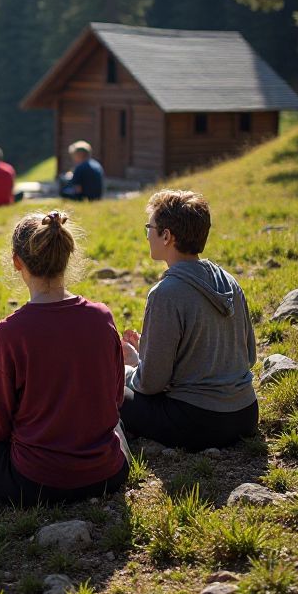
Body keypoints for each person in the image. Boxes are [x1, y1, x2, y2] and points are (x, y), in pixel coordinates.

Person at [0, 211, 129, 505]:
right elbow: (115, 399)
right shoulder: (101, 316)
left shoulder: (10, 332)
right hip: (108, 473)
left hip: (36, 482)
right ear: (67, 255)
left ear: (17, 261)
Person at [120, 189, 258, 451]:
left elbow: (150, 384)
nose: (148, 235)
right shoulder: (229, 281)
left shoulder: (165, 293)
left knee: (109, 389)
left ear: (166, 236)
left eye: (150, 228)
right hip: (245, 413)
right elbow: (249, 356)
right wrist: (145, 356)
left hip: (199, 422)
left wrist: (130, 367)